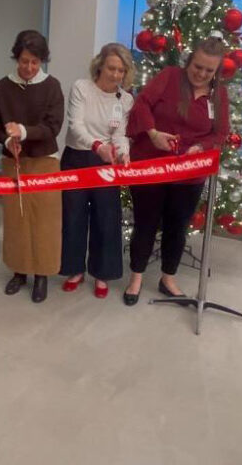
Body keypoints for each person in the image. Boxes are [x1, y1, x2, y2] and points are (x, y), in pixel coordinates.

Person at [123, 37, 230, 306]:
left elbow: (220, 133)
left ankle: (167, 277)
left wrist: (199, 147)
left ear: (216, 71)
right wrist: (153, 133)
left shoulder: (218, 95)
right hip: (152, 166)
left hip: (188, 173)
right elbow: (142, 104)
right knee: (145, 222)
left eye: (209, 70)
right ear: (189, 60)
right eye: (198, 66)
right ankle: (136, 276)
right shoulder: (169, 77)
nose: (202, 74)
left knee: (177, 226)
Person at [0, 30, 64, 303]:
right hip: (14, 161)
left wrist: (23, 131)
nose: (29, 68)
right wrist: (8, 140)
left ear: (42, 60)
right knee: (16, 220)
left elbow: (52, 127)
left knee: (44, 222)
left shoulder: (52, 86)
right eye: (24, 61)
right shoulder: (3, 86)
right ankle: (19, 271)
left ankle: (42, 275)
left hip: (44, 160)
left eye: (35, 62)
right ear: (16, 58)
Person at [60, 43, 135, 299]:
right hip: (77, 157)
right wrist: (97, 146)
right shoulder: (82, 88)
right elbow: (76, 125)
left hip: (106, 162)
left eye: (121, 71)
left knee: (106, 217)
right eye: (112, 68)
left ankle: (101, 273)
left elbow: (120, 134)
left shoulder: (125, 99)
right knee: (73, 217)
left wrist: (123, 152)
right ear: (100, 65)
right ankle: (74, 269)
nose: (116, 75)